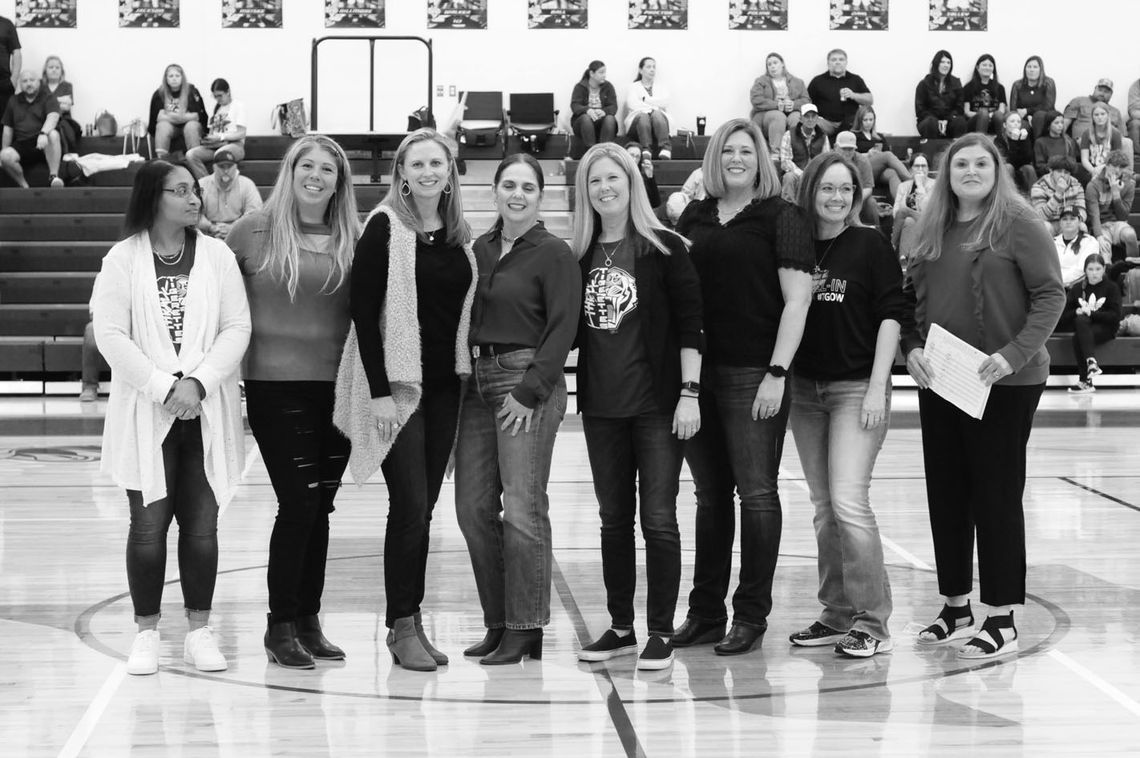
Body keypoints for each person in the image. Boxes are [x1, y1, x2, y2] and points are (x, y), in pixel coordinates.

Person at [901, 133, 1064, 660]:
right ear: (947, 174)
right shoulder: (930, 227)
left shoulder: (1021, 225)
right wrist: (912, 348)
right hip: (944, 378)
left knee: (995, 494)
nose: (970, 171)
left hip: (1006, 381)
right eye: (961, 164)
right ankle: (955, 607)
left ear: (997, 171)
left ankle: (1001, 615)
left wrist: (1014, 354)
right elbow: (909, 299)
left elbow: (1050, 295)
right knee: (947, 493)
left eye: (981, 163)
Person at [91, 160, 251, 676]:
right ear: (153, 197)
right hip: (147, 410)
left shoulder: (218, 255)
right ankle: (146, 632)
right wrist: (165, 387)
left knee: (202, 527)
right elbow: (111, 335)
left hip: (204, 408)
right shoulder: (122, 259)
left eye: (193, 189)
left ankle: (199, 631)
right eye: (180, 190)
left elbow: (237, 327)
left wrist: (198, 383)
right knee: (148, 526)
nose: (193, 197)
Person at [335, 129, 477, 672]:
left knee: (424, 510)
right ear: (402, 172)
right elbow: (362, 314)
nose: (426, 171)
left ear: (449, 171)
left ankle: (411, 621)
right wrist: (377, 393)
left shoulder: (460, 236)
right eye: (416, 163)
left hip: (444, 388)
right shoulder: (384, 228)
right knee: (411, 506)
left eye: (435, 163)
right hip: (399, 390)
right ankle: (400, 625)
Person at [673, 118, 813, 656]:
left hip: (755, 373)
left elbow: (797, 303)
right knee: (710, 497)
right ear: (714, 158)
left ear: (762, 159)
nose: (736, 159)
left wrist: (777, 373)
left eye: (746, 151)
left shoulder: (783, 216)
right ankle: (706, 612)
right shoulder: (697, 214)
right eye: (727, 151)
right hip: (697, 374)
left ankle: (751, 615)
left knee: (756, 495)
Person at [226, 135, 360, 670]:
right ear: (291, 170)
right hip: (273, 386)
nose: (317, 175)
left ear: (339, 181)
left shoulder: (354, 235)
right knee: (299, 502)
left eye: (328, 169)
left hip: (338, 388)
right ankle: (279, 624)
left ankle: (308, 619)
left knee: (321, 507)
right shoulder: (250, 231)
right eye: (308, 165)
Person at [570, 143, 703, 671]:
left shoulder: (666, 247)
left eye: (613, 179)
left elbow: (693, 324)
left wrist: (689, 393)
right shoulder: (577, 255)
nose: (605, 188)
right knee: (611, 520)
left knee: (659, 518)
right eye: (594, 181)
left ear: (631, 182)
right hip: (602, 407)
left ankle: (660, 631)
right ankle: (621, 627)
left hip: (657, 404)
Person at [455, 154, 581, 665]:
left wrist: (530, 391)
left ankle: (526, 628)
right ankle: (499, 621)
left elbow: (563, 327)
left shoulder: (554, 253)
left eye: (528, 187)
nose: (517, 194)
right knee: (472, 509)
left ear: (541, 195)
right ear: (494, 191)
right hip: (475, 384)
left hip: (526, 381)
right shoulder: (476, 249)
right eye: (509, 185)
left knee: (523, 508)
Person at [787, 152, 905, 658]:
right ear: (810, 191)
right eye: (826, 188)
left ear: (858, 195)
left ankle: (873, 623)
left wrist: (879, 385)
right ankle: (836, 614)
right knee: (823, 508)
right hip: (803, 391)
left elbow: (892, 316)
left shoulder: (870, 244)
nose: (836, 198)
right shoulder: (792, 246)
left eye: (846, 188)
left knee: (850, 503)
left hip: (856, 388)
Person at [1057, 253, 1121, 394]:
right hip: (1084, 328)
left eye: (1098, 269)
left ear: (1104, 269)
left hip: (1106, 328)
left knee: (1079, 335)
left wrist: (1091, 313)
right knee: (1080, 322)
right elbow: (1062, 317)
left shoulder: (1112, 288)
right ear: (1085, 270)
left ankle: (1085, 381)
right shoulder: (1077, 289)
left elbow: (1115, 317)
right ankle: (1091, 365)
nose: (1094, 273)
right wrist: (1076, 312)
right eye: (1090, 269)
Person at [0, 69, 63, 188]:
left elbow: (53, 117)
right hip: (22, 144)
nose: (29, 83)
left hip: (44, 143)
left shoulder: (48, 97)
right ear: (20, 84)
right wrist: (3, 152)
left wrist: (43, 133)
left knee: (53, 134)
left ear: (38, 82)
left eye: (32, 80)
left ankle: (54, 177)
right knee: (4, 156)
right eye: (25, 81)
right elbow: (8, 129)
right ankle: (24, 186)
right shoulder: (13, 100)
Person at [750, 52, 809, 160]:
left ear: (782, 64)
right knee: (778, 116)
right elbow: (756, 100)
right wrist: (777, 105)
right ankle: (776, 154)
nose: (772, 66)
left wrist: (793, 104)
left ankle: (797, 152)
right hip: (766, 116)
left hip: (791, 112)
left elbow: (807, 101)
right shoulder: (761, 81)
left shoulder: (798, 82)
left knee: (796, 117)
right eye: (769, 64)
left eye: (775, 63)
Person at [186, 78, 248, 179]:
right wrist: (208, 140)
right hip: (216, 146)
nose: (218, 99)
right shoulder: (215, 107)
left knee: (220, 153)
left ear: (228, 92)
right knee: (191, 154)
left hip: (235, 146)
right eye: (215, 96)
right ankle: (206, 185)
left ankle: (218, 185)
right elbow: (212, 132)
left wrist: (221, 137)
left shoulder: (238, 106)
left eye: (220, 95)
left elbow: (241, 133)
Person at [196, 147, 262, 239]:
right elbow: (195, 213)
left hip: (239, 233)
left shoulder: (247, 184)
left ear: (235, 167)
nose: (226, 171)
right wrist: (211, 227)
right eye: (221, 167)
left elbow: (254, 214)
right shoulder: (201, 185)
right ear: (214, 167)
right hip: (208, 234)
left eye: (229, 166)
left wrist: (233, 228)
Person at [147, 63, 208, 161]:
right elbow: (159, 118)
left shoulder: (191, 91)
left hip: (189, 126)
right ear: (166, 78)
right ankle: (162, 161)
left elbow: (197, 116)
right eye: (171, 76)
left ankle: (194, 159)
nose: (174, 79)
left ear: (182, 77)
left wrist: (170, 116)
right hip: (170, 128)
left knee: (191, 126)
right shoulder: (159, 93)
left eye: (177, 76)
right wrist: (183, 116)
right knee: (162, 126)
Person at [1086, 150, 1137, 262]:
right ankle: (1108, 274)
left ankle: (1134, 270)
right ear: (1107, 164)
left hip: (1117, 223)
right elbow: (1094, 215)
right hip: (1101, 224)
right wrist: (1099, 236)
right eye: (1114, 166)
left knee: (1130, 235)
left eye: (1121, 167)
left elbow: (1123, 217)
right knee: (1105, 254)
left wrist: (1116, 194)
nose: (1117, 170)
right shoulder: (1093, 185)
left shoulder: (1129, 184)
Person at [807, 49, 872, 135]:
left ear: (846, 62)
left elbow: (870, 100)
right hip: (825, 123)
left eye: (841, 59)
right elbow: (807, 102)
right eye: (834, 60)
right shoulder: (818, 81)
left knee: (853, 124)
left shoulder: (855, 79)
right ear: (828, 63)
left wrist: (853, 95)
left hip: (849, 123)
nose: (837, 62)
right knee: (813, 125)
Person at [853, 105, 911, 201]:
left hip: (879, 171)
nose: (868, 123)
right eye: (865, 120)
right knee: (887, 155)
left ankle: (901, 205)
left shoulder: (879, 137)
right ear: (859, 120)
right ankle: (911, 180)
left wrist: (879, 156)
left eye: (871, 120)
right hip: (862, 169)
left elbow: (888, 154)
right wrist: (867, 154)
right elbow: (850, 156)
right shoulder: (854, 135)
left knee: (892, 173)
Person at [623, 57, 672, 160]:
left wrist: (645, 100)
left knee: (657, 114)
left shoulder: (661, 86)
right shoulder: (633, 87)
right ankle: (646, 149)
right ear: (641, 70)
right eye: (649, 67)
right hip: (637, 123)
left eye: (654, 67)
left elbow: (665, 102)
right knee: (644, 115)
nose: (652, 69)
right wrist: (654, 105)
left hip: (658, 122)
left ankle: (666, 148)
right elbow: (632, 104)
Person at [779, 103, 830, 201]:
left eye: (813, 116)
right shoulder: (789, 134)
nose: (810, 119)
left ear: (817, 118)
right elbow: (785, 162)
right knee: (789, 177)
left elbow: (826, 161)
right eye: (807, 116)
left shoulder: (823, 136)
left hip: (815, 175)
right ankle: (788, 210)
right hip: (796, 174)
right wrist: (801, 174)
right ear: (801, 118)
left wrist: (813, 174)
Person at [893, 152, 935, 262]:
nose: (920, 169)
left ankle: (892, 244)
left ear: (928, 169)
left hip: (929, 222)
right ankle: (905, 258)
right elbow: (895, 213)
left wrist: (920, 186)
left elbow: (928, 212)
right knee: (909, 221)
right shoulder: (903, 186)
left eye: (923, 166)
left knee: (904, 212)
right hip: (909, 223)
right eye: (917, 166)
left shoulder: (935, 185)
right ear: (911, 169)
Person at [914, 50, 966, 139]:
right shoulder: (924, 84)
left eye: (948, 62)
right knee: (930, 122)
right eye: (942, 62)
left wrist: (947, 120)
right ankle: (931, 151)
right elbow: (920, 110)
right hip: (929, 121)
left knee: (960, 121)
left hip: (950, 121)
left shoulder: (956, 83)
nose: (946, 65)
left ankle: (956, 151)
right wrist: (937, 121)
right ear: (936, 63)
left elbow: (959, 107)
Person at [570, 60, 618, 152]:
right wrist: (587, 110)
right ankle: (591, 151)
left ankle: (604, 151)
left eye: (605, 72)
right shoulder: (580, 87)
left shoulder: (608, 86)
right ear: (592, 73)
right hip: (583, 124)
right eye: (601, 72)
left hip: (602, 122)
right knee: (585, 118)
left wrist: (604, 111)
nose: (604, 75)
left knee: (610, 118)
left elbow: (613, 106)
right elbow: (575, 105)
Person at [1031, 156, 1086, 235]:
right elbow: (1039, 217)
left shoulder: (1076, 185)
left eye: (1066, 172)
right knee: (1045, 227)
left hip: (1068, 222)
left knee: (1082, 226)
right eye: (1059, 171)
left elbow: (1082, 211)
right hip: (1049, 223)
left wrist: (1071, 221)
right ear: (1051, 171)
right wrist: (1058, 194)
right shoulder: (1039, 187)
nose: (1062, 175)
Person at [1063, 78, 1124, 143]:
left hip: (1107, 142)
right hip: (1083, 140)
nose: (1102, 93)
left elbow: (1121, 135)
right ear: (1095, 89)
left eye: (1106, 92)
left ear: (1111, 94)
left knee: (1127, 142)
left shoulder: (1116, 111)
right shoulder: (1079, 101)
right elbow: (1064, 124)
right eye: (1100, 90)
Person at [1009, 55, 1055, 139]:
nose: (1031, 70)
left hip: (1043, 118)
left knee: (1039, 116)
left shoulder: (1048, 83)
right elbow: (1013, 109)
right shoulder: (1017, 85)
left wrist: (1028, 111)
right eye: (1029, 67)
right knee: (1023, 128)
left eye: (1035, 67)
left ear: (1041, 70)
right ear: (1025, 69)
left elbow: (1048, 106)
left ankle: (1038, 148)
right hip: (1024, 119)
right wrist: (1028, 117)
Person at [40, 55, 79, 153]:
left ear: (62, 71)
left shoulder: (67, 86)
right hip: (42, 120)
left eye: (57, 68)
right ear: (45, 70)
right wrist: (59, 101)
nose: (54, 70)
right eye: (51, 67)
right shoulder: (39, 85)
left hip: (62, 120)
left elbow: (66, 107)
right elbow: (38, 107)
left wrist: (48, 104)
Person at [961, 54, 1006, 136]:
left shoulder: (1000, 87)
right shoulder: (968, 87)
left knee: (998, 115)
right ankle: (980, 142)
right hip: (975, 121)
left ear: (993, 69)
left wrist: (990, 116)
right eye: (984, 65)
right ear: (978, 67)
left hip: (994, 119)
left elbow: (1002, 110)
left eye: (990, 65)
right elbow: (967, 112)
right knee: (983, 113)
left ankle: (1002, 142)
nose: (987, 67)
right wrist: (984, 115)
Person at [1054, 207, 1100, 287]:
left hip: (1077, 288)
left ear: (1079, 222)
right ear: (1060, 223)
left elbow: (1082, 269)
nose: (1068, 222)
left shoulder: (1090, 242)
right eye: (1064, 219)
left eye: (1072, 219)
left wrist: (1060, 281)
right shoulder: (1052, 242)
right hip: (1054, 287)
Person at [1033, 110, 1082, 182]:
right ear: (1049, 125)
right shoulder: (1040, 142)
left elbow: (1072, 162)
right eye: (1056, 123)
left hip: (1067, 176)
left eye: (1062, 122)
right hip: (1048, 177)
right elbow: (1040, 165)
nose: (1060, 126)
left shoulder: (1069, 141)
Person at [994, 111, 1036, 191]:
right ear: (1005, 125)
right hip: (1005, 171)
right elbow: (1006, 161)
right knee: (1009, 167)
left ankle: (1035, 196)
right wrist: (1014, 141)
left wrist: (1023, 141)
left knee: (1029, 168)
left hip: (1020, 169)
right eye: (1012, 121)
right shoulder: (999, 140)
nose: (1016, 124)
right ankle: (1008, 196)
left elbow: (1028, 160)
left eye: (1018, 122)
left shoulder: (1024, 137)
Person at [1080, 102, 1123, 178]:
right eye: (1096, 115)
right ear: (1092, 117)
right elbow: (1084, 159)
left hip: (1110, 169)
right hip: (1091, 170)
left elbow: (1116, 158)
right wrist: (1093, 171)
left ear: (1108, 115)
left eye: (1103, 114)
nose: (1100, 117)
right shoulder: (1086, 133)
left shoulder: (1115, 133)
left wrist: (1103, 168)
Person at [0, 14, 19, 118]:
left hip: (3, 83)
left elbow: (16, 52)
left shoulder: (6, 24)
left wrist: (14, 79)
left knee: (4, 122)